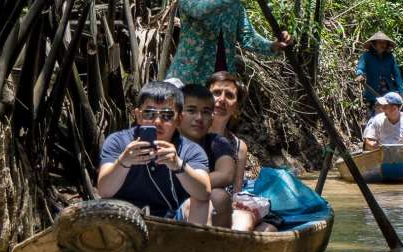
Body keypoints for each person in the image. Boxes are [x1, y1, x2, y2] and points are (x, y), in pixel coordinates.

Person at [97, 81, 211, 224]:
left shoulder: (191, 150)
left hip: (173, 222)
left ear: (179, 119)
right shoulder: (118, 141)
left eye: (167, 115)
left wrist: (178, 165)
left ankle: (191, 246)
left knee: (202, 202)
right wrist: (123, 162)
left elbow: (204, 192)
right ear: (138, 116)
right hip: (123, 217)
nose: (157, 121)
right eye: (149, 113)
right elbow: (104, 191)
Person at [208, 71, 278, 232]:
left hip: (224, 208)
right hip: (196, 201)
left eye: (229, 95)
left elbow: (236, 192)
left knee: (269, 229)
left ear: (236, 107)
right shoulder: (192, 134)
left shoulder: (239, 147)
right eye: (216, 93)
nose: (221, 100)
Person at [176, 84, 238, 227]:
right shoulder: (167, 140)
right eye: (191, 110)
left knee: (219, 197)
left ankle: (214, 246)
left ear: (212, 118)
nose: (199, 118)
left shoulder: (217, 142)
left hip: (201, 202)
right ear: (178, 114)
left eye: (205, 112)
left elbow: (226, 174)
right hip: (166, 204)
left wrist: (187, 182)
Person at [354, 31, 403, 121]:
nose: (383, 45)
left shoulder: (390, 57)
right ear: (374, 44)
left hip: (388, 94)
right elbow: (360, 68)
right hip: (372, 93)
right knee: (374, 119)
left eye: (384, 43)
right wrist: (359, 74)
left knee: (389, 119)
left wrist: (401, 91)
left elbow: (397, 75)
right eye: (380, 42)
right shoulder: (366, 56)